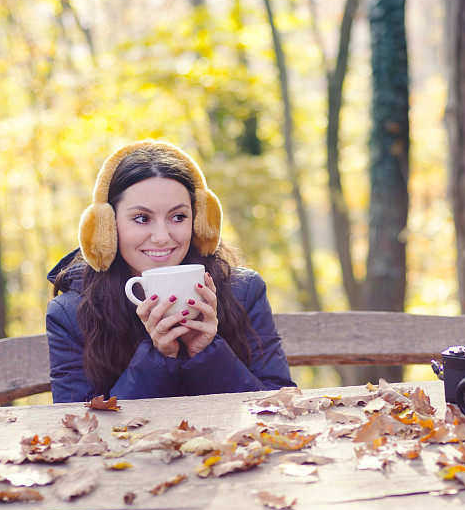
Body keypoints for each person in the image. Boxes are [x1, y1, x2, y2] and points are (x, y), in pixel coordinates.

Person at [46, 140, 295, 403]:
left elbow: (278, 401)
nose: (163, 237)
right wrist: (157, 356)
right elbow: (78, 426)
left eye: (178, 217)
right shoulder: (71, 315)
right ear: (108, 226)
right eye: (142, 218)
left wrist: (207, 353)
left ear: (199, 222)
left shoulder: (243, 292)